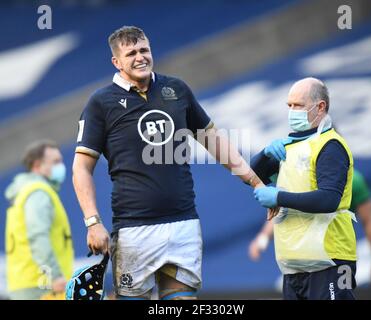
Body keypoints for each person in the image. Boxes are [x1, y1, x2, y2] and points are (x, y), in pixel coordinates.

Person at [72, 26, 264, 300]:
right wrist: (93, 222)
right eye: (131, 53)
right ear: (116, 62)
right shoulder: (101, 102)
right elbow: (81, 168)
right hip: (133, 229)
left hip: (183, 222)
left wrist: (255, 181)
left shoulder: (176, 89)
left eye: (144, 50)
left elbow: (214, 141)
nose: (140, 57)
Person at [252, 77, 357, 300]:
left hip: (331, 260)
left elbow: (328, 199)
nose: (292, 111)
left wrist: (279, 196)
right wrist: (264, 154)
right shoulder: (290, 146)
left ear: (320, 107)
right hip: (295, 264)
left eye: (298, 105)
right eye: (289, 105)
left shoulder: (330, 145)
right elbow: (252, 175)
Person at [249, 169, 371, 285]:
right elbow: (285, 209)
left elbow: (369, 222)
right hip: (303, 256)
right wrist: (263, 238)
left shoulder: (354, 180)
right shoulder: (302, 173)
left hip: (336, 256)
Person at [4, 140, 74, 300]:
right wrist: (54, 275)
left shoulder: (25, 191)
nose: (61, 166)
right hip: (42, 286)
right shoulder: (38, 193)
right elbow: (37, 236)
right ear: (37, 166)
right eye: (55, 162)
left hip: (27, 283)